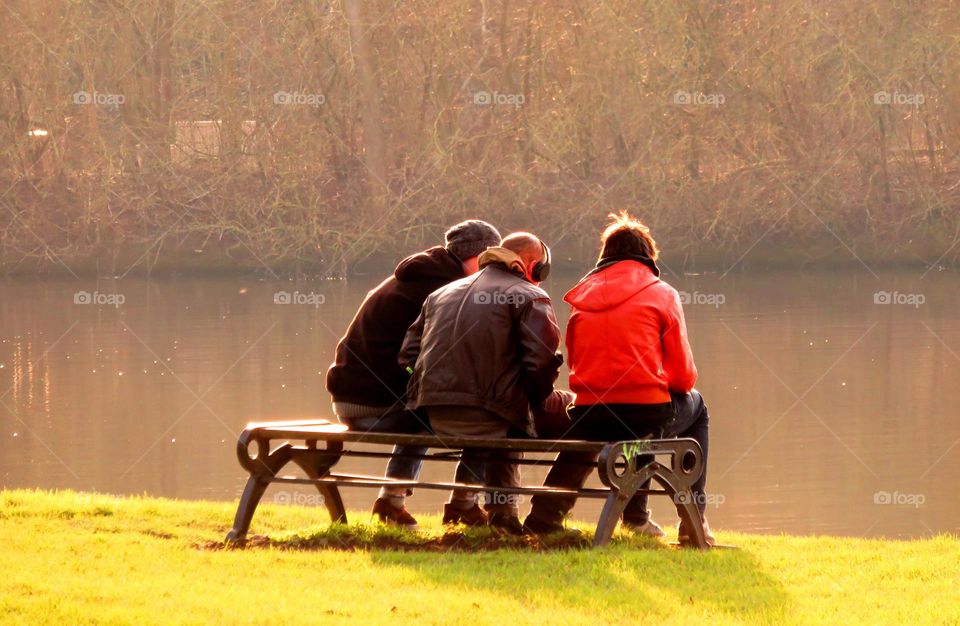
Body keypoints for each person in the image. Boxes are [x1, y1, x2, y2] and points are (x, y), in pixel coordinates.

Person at [523, 212, 715, 545]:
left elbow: (576, 361)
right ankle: (693, 520)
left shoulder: (581, 299)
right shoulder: (661, 293)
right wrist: (656, 380)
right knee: (695, 409)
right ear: (648, 256)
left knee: (633, 424)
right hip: (642, 413)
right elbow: (683, 377)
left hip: (590, 413)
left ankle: (549, 517)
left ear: (605, 257)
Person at [326, 219, 502, 528]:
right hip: (377, 406)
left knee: (427, 405)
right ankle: (462, 504)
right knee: (484, 419)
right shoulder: (446, 290)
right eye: (490, 261)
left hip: (350, 399)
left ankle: (392, 502)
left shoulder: (422, 276)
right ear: (478, 256)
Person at [399, 232, 572, 534]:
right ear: (532, 265)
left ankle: (476, 508)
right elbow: (542, 364)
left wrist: (434, 388)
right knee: (576, 411)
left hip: (434, 415)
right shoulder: (530, 296)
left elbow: (408, 357)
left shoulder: (440, 294)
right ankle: (523, 516)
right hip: (490, 415)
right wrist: (535, 397)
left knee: (507, 404)